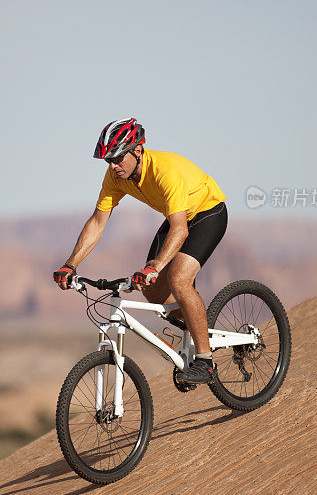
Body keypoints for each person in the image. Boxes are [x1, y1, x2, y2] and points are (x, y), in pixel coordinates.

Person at [53, 118, 228, 385]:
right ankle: (193, 321)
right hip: (177, 217)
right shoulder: (115, 177)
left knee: (178, 279)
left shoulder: (164, 171)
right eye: (107, 160)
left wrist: (155, 267)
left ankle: (205, 362)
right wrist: (71, 263)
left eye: (117, 158)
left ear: (137, 149)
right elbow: (98, 221)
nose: (112, 166)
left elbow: (180, 230)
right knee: (151, 290)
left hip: (207, 213)